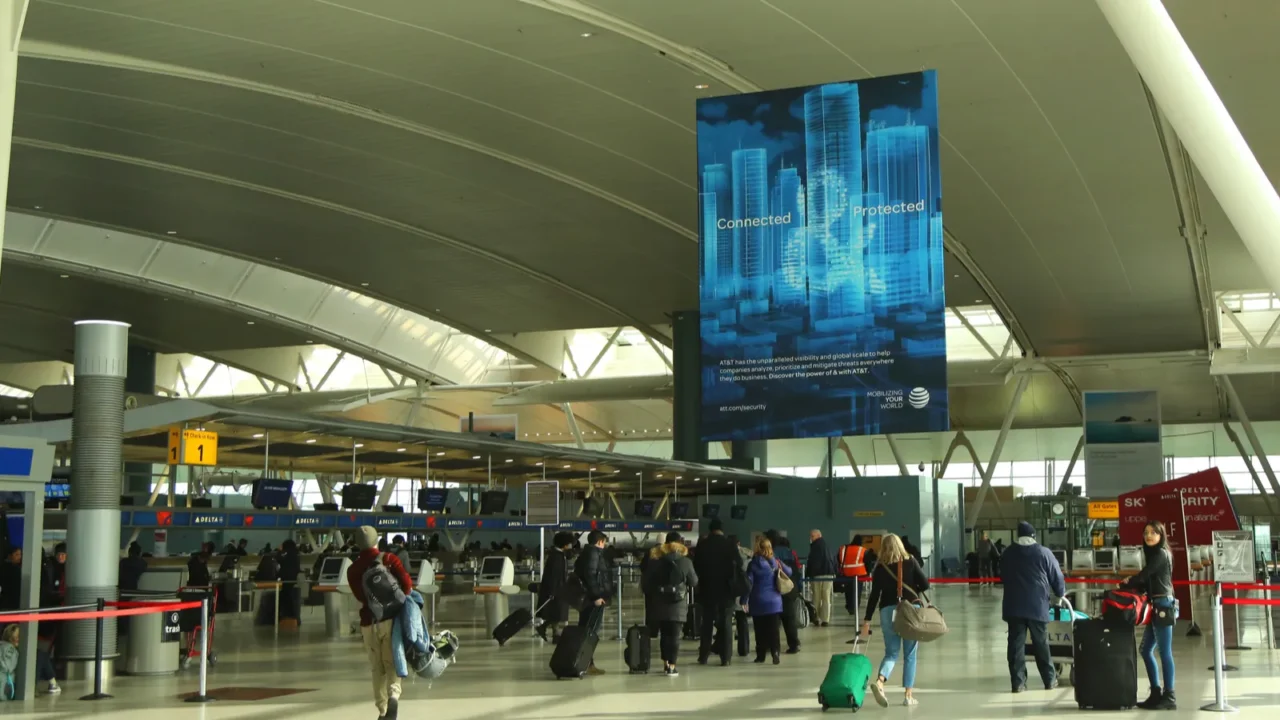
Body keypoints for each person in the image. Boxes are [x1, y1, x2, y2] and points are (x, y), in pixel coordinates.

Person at [346, 526, 413, 720]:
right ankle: (394, 696)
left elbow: (361, 596)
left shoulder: (353, 569)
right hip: (390, 620)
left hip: (369, 622)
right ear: (377, 541)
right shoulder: (389, 560)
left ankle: (382, 711)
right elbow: (407, 586)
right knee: (391, 663)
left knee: (377, 668)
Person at [861, 533, 929, 707]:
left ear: (883, 548)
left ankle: (881, 682)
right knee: (910, 654)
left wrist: (867, 620)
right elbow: (925, 584)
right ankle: (908, 695)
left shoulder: (880, 568)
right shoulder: (911, 561)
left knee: (891, 652)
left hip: (887, 610)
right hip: (909, 610)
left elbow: (874, 596)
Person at [1000, 522, 1066, 693]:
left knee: (1016, 645)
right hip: (1037, 606)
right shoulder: (1044, 552)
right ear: (1033, 536)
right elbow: (1056, 576)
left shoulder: (1008, 553)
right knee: (1041, 643)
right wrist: (1060, 593)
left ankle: (1018, 683)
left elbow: (1002, 576)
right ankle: (1049, 680)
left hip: (1014, 606)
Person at [1121, 521, 1176, 710]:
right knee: (1145, 650)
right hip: (1155, 605)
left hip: (1163, 606)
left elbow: (1146, 575)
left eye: (1154, 532)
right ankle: (1155, 692)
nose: (1149, 536)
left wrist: (1129, 582)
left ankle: (1169, 696)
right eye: (1146, 533)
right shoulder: (1154, 555)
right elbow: (1149, 579)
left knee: (1164, 651)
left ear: (1161, 535)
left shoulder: (1161, 553)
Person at [642, 532, 698, 676]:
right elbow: (694, 581)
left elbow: (646, 583)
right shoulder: (686, 561)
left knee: (664, 635)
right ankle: (672, 665)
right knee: (674, 635)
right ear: (680, 544)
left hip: (659, 603)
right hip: (677, 604)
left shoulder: (655, 560)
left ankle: (666, 663)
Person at [693, 518, 742, 666]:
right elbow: (739, 564)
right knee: (726, 624)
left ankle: (703, 656)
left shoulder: (702, 545)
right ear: (722, 529)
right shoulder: (730, 545)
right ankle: (725, 658)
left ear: (710, 530)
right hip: (726, 590)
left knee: (707, 624)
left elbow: (696, 567)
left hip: (707, 590)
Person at [742, 535, 791, 665]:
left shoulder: (753, 564)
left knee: (760, 630)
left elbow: (749, 584)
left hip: (757, 601)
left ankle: (761, 655)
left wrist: (743, 600)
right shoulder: (776, 561)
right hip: (774, 602)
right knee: (774, 630)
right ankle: (775, 653)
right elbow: (789, 572)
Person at [573, 530, 613, 676]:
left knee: (586, 630)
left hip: (587, 598)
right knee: (590, 632)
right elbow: (591, 575)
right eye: (604, 542)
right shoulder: (594, 554)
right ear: (600, 541)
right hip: (593, 599)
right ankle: (586, 663)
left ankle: (583, 662)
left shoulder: (586, 553)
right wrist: (596, 596)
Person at [767, 531, 802, 654]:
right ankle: (794, 644)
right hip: (790, 588)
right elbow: (797, 571)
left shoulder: (770, 553)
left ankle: (772, 646)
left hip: (775, 590)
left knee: (773, 619)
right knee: (789, 618)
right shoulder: (792, 553)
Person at [537, 532, 573, 643]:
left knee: (555, 612)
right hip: (556, 589)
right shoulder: (557, 557)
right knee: (557, 612)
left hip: (557, 588)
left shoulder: (558, 555)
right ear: (565, 544)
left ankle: (554, 633)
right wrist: (553, 591)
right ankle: (553, 633)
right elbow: (554, 576)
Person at [2, 625, 59, 694]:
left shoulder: (3, 648)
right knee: (41, 655)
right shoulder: (11, 652)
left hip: (9, 683)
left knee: (41, 655)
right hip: (14, 686)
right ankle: (53, 683)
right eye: (17, 638)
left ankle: (53, 683)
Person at [807, 529, 836, 627]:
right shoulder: (827, 545)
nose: (811, 538)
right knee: (826, 596)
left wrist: (809, 574)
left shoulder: (815, 546)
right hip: (829, 573)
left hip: (818, 574)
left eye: (812, 536)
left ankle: (816, 618)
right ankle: (825, 619)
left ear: (818, 535)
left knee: (816, 596)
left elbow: (813, 561)